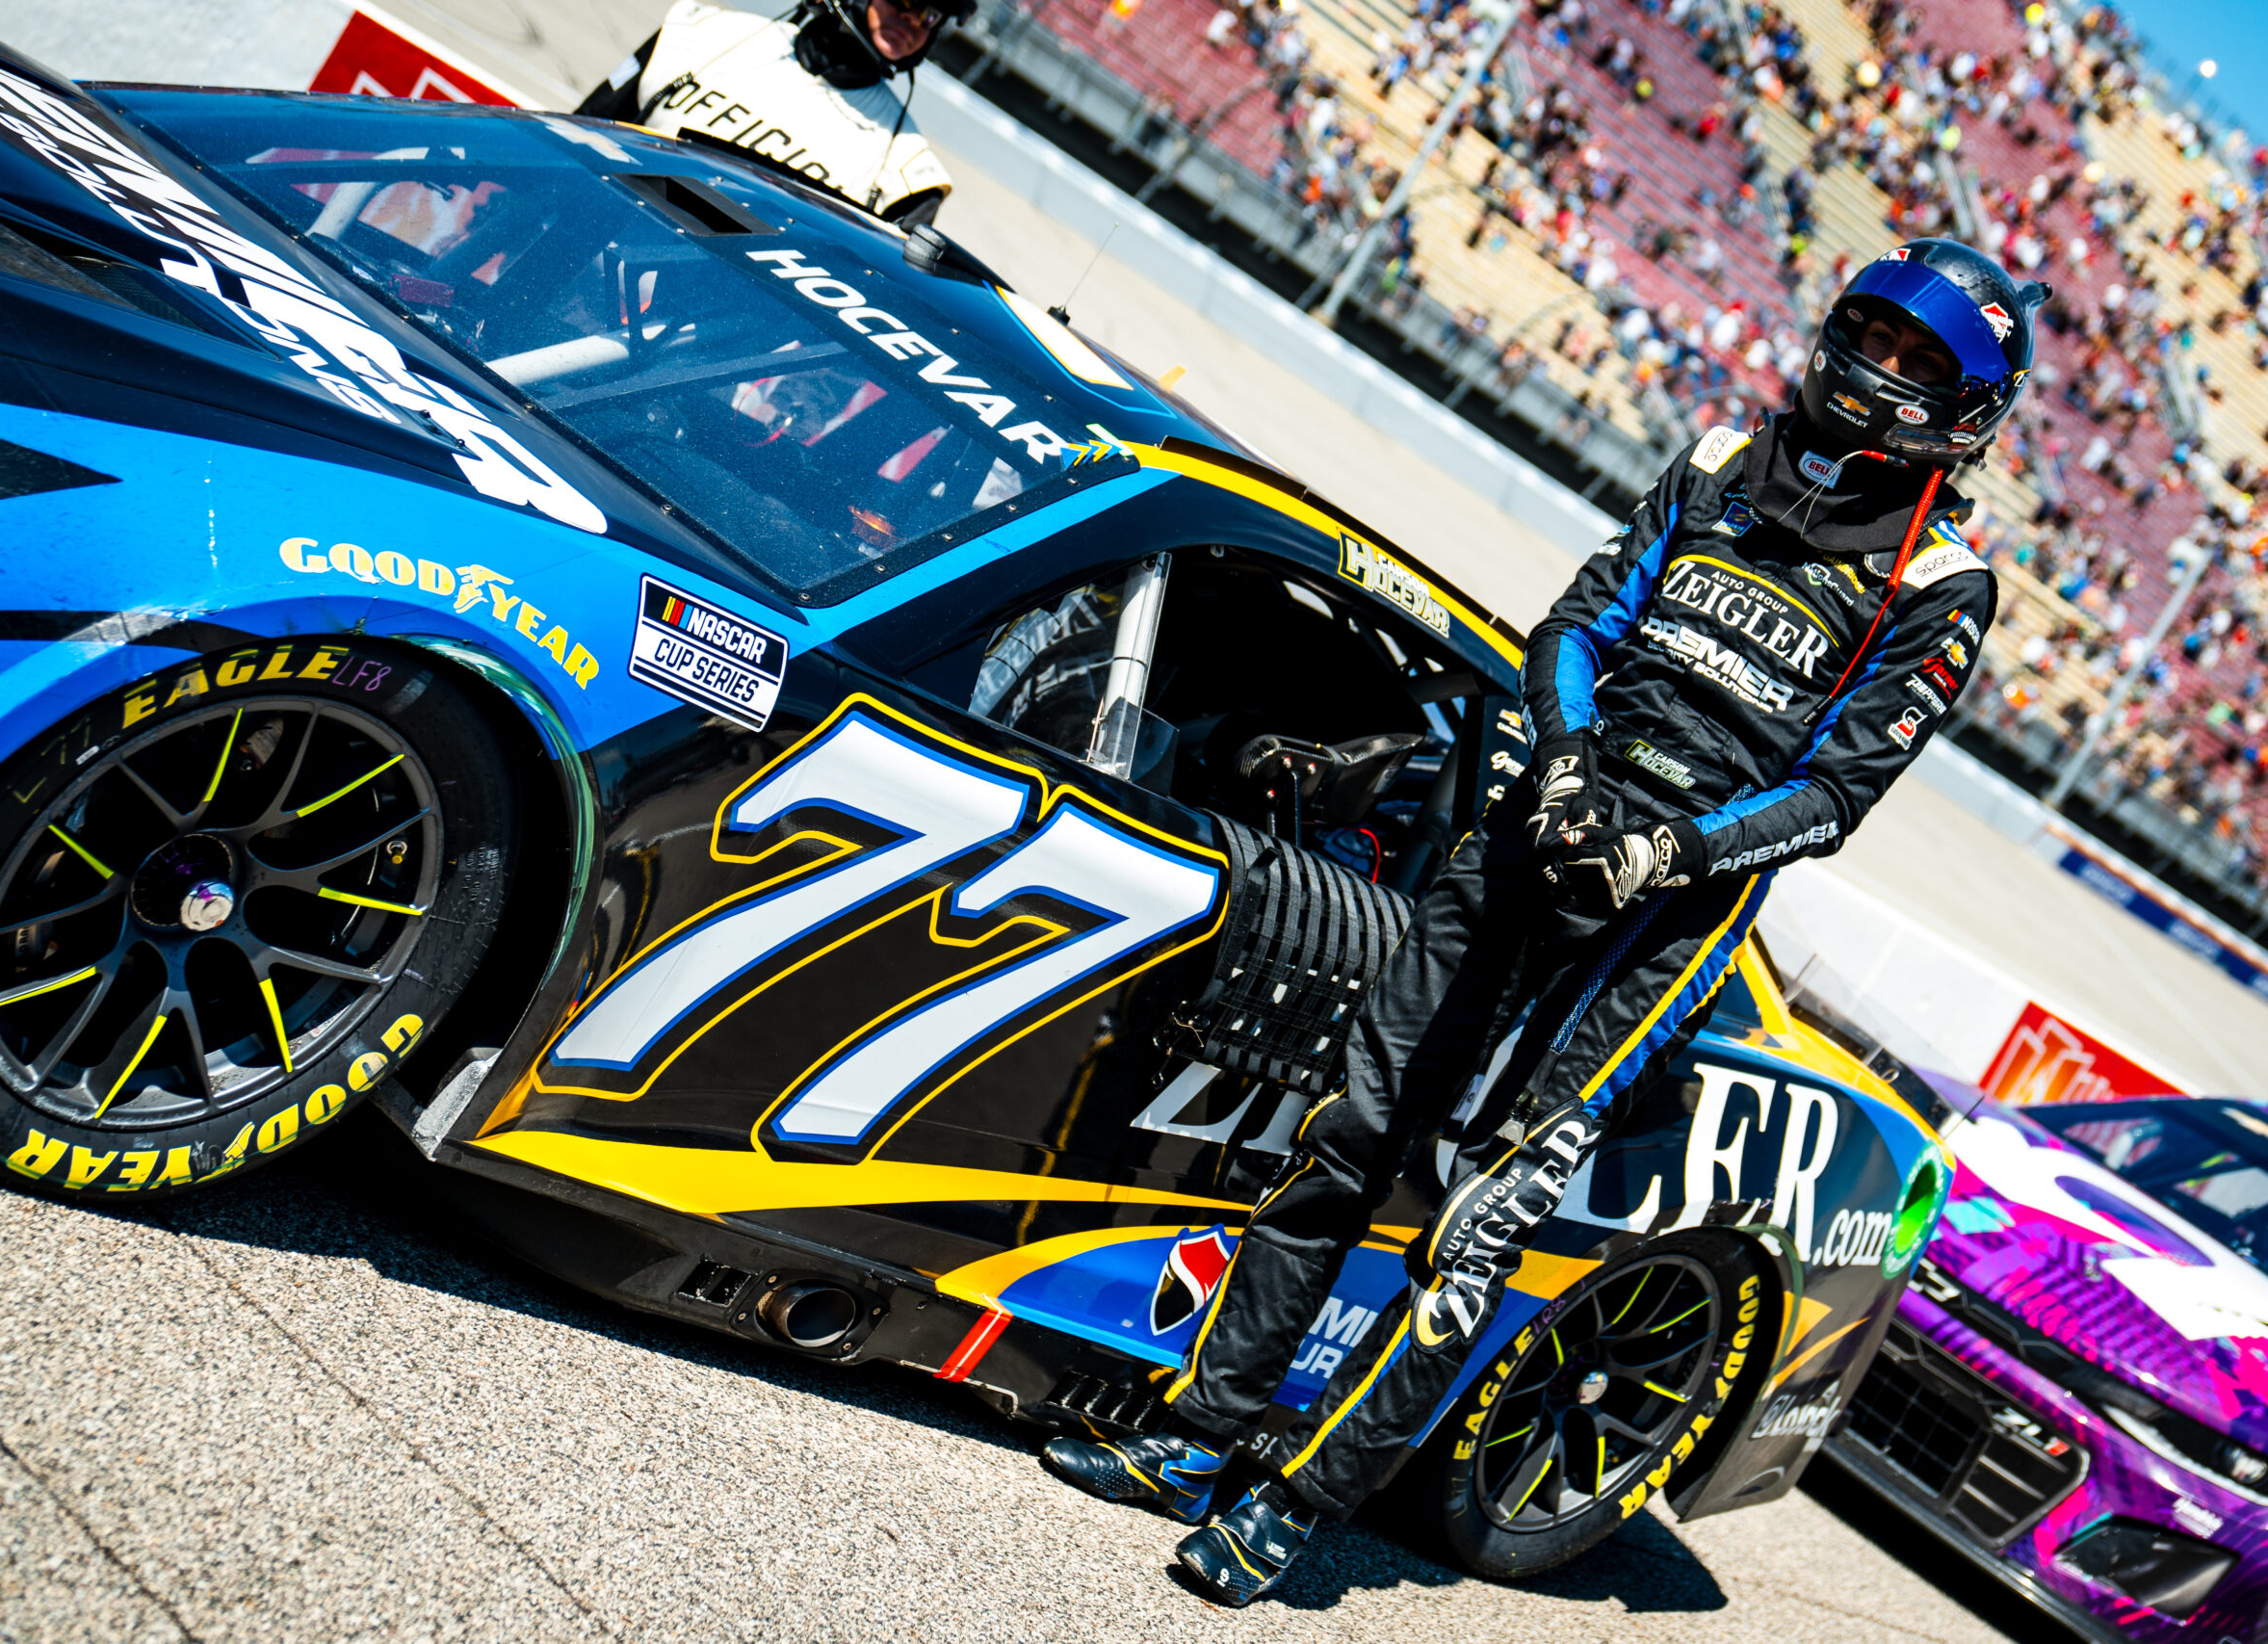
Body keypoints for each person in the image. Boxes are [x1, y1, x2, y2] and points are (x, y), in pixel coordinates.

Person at [1040, 239, 2049, 1605]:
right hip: (1530, 832)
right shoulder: (1713, 456)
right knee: (1351, 1131)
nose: (1883, 370)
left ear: (1971, 409)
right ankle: (1193, 1434)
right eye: (1874, 335)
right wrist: (1569, 762)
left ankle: (1294, 1504)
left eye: (1924, 362)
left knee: (1483, 1213)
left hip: (1658, 927)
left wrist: (1670, 846)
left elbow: (1835, 793)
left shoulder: (1940, 584)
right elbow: (1578, 622)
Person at [576, 0, 971, 229]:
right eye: (905, 0)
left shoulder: (910, 172)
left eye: (931, 15)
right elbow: (576, 135)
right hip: (587, 236)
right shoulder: (698, 29)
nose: (913, 22)